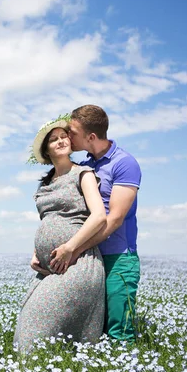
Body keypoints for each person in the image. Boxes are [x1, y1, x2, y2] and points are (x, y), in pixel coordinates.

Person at [14, 115, 107, 350]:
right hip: (50, 266)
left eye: (64, 136)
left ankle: (42, 371)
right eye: (54, 139)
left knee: (37, 319)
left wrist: (69, 248)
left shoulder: (83, 174)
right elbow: (48, 221)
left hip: (78, 262)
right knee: (25, 322)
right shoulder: (44, 185)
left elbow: (98, 216)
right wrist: (37, 252)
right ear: (46, 150)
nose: (61, 141)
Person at [56, 104, 142, 342]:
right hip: (89, 259)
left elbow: (114, 219)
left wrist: (74, 248)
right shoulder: (86, 165)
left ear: (91, 136)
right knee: (93, 331)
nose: (68, 135)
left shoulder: (124, 163)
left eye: (72, 132)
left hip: (118, 258)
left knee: (119, 332)